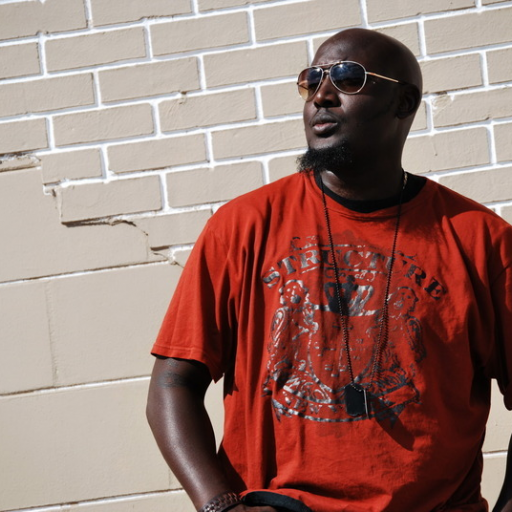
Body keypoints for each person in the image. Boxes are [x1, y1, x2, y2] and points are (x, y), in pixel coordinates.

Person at [146, 27, 512, 512]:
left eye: (347, 78)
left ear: (404, 102)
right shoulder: (242, 227)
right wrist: (220, 505)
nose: (322, 95)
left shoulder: (481, 241)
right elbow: (172, 385)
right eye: (312, 80)